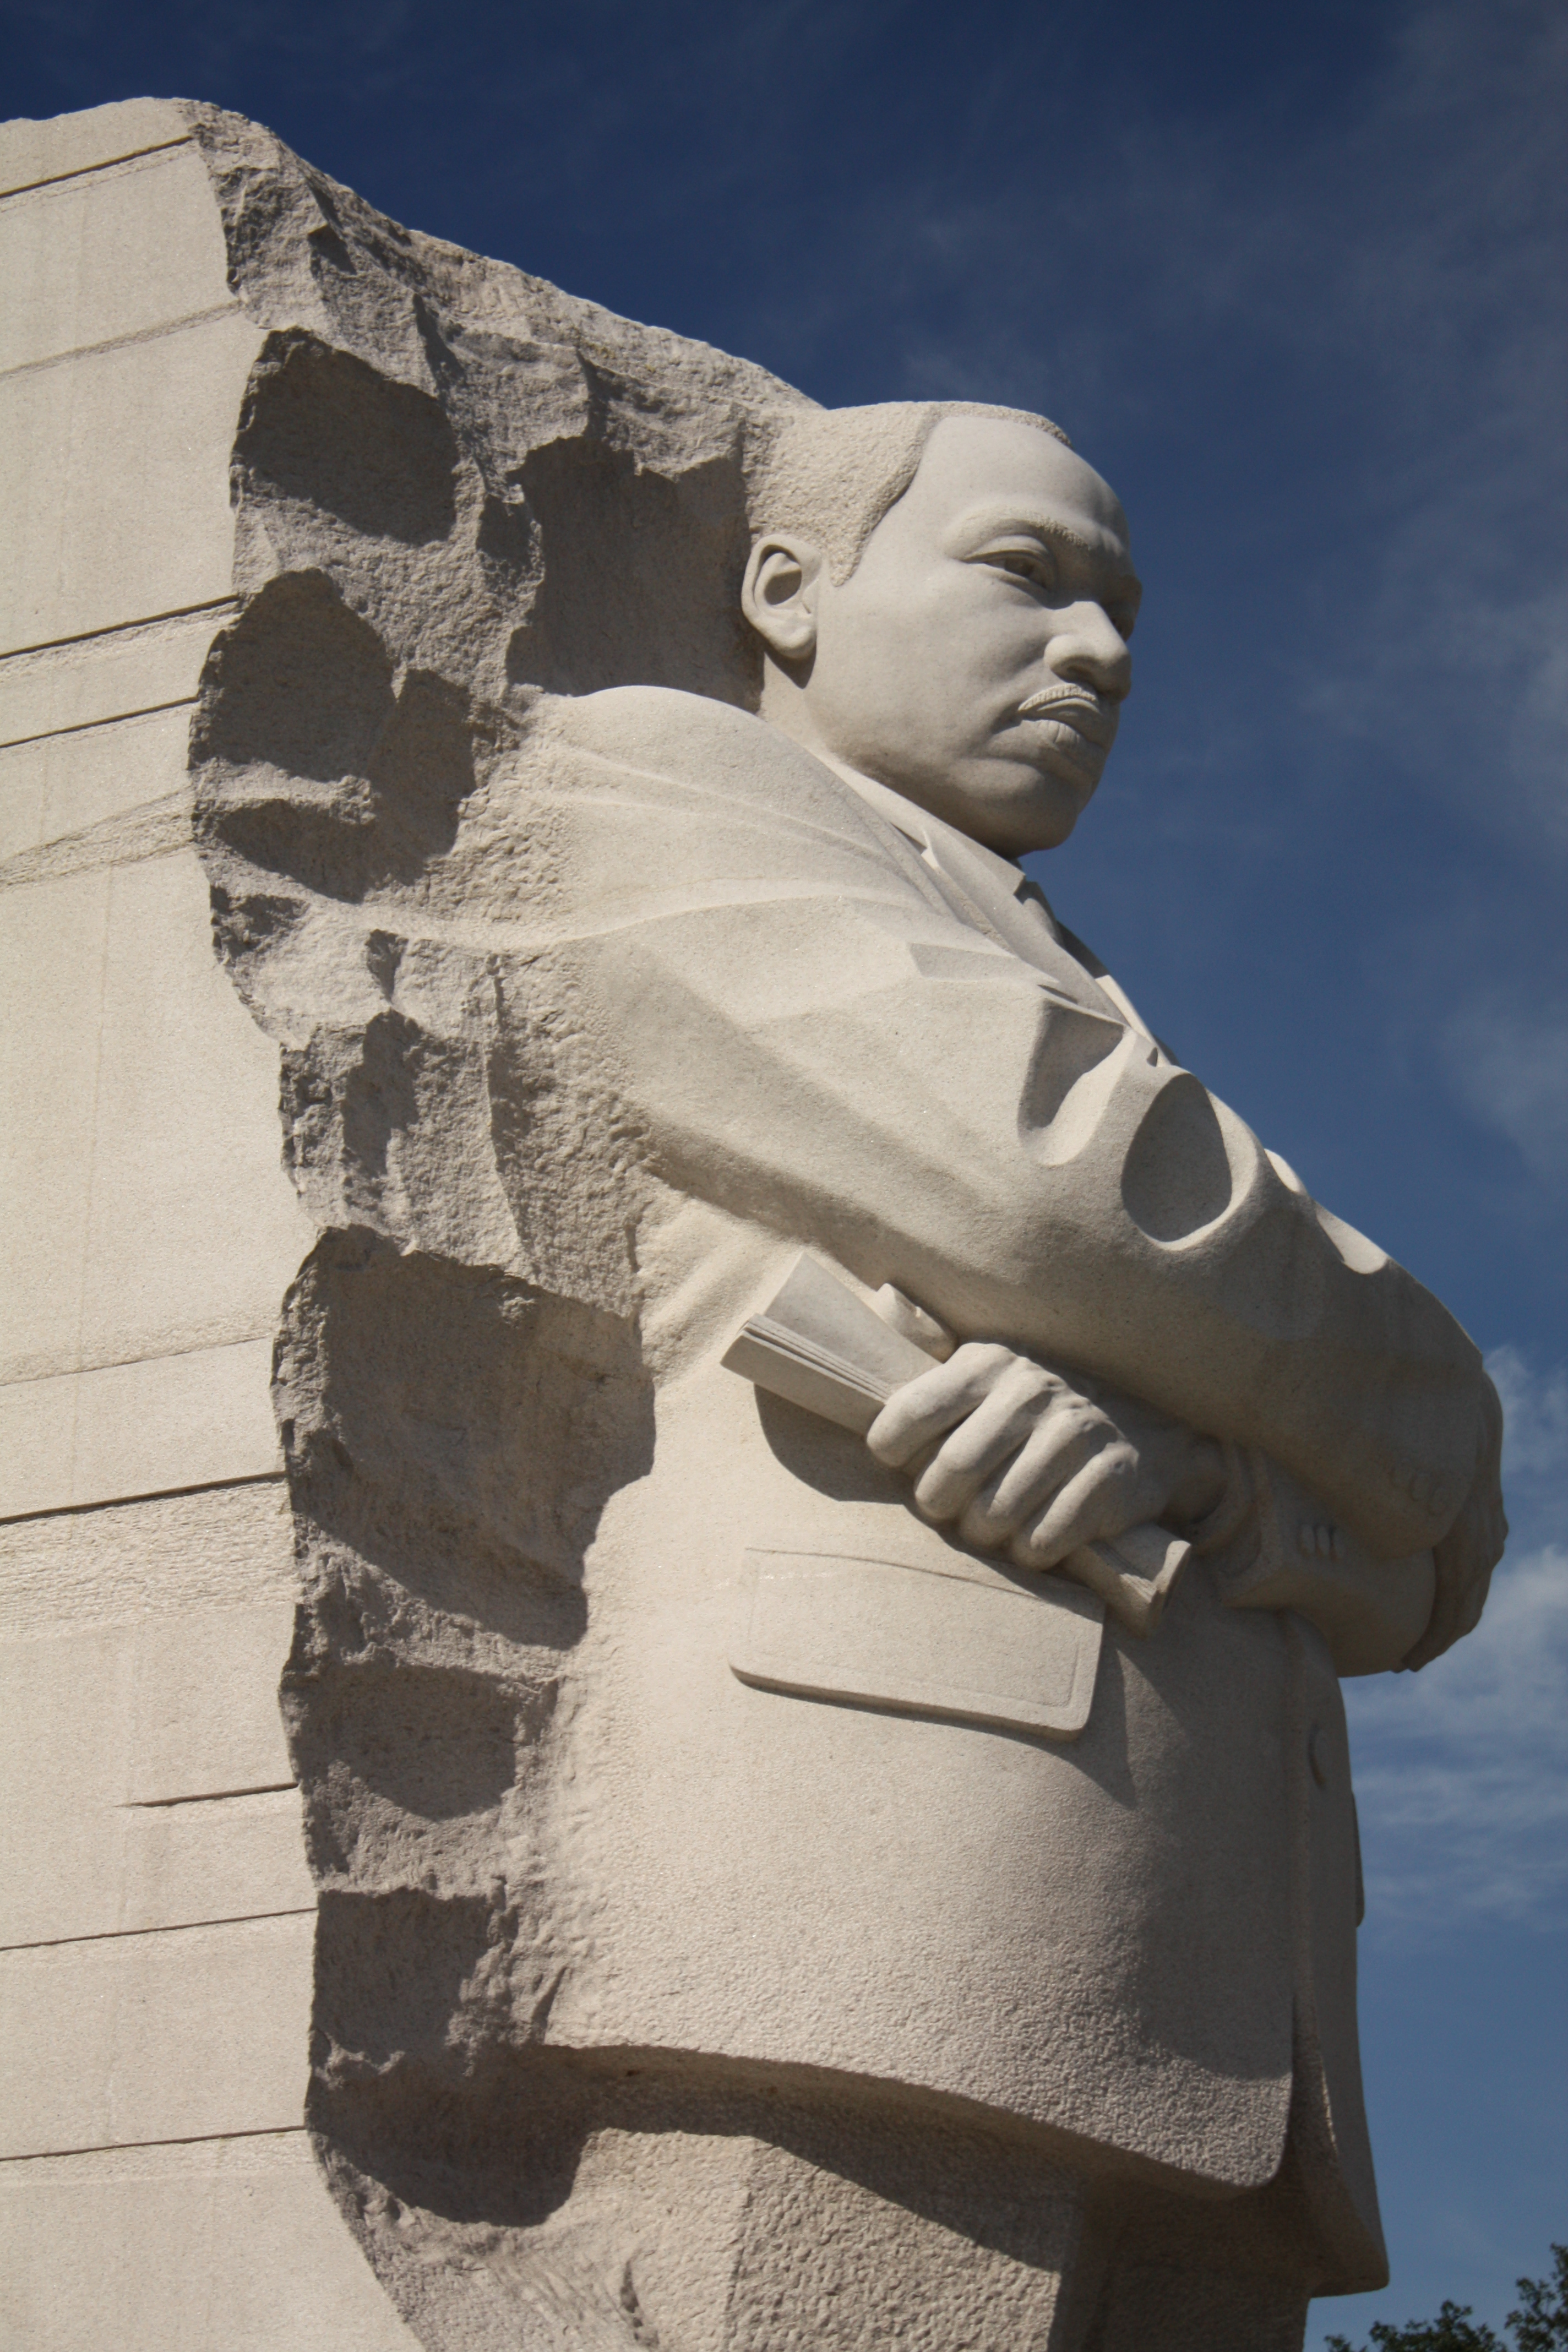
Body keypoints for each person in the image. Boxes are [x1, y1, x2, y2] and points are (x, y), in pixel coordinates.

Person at [265, 400, 1507, 2350]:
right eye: (1027, 575)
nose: (1099, 652)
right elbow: (1062, 1195)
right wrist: (1416, 1384)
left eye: (1125, 612)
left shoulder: (1070, 969)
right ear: (789, 587)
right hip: (884, 1904)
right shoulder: (651, 776)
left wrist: (1203, 1461)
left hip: (1214, 1986)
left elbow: (1440, 1563)